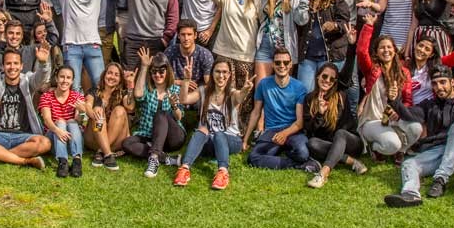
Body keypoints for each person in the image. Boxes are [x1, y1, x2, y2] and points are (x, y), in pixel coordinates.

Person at [383, 65, 454, 207]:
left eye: (443, 82)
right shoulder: (430, 105)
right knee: (409, 163)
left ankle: (440, 180)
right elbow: (410, 115)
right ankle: (410, 194)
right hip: (437, 152)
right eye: (435, 83)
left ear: (452, 82)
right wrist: (394, 101)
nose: (439, 87)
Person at [172, 58, 254, 190]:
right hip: (208, 141)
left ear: (229, 75)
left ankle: (223, 172)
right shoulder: (203, 90)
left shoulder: (232, 94)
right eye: (217, 72)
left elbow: (240, 97)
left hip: (230, 140)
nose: (221, 76)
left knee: (219, 133)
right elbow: (184, 100)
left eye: (224, 72)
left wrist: (245, 90)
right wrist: (186, 80)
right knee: (201, 130)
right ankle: (184, 169)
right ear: (212, 73)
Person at [0, 44, 52, 170]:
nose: (12, 67)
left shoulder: (28, 81)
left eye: (15, 63)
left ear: (21, 66)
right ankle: (24, 161)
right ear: (3, 66)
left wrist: (43, 63)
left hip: (22, 136)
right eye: (8, 64)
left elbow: (41, 77)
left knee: (45, 143)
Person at [356, 15, 422, 158]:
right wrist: (368, 26)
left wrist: (398, 112)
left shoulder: (404, 72)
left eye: (389, 47)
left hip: (392, 119)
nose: (386, 50)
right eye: (382, 48)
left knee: (416, 128)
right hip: (372, 120)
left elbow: (408, 100)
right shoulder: (372, 69)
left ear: (394, 50)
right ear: (377, 52)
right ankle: (375, 147)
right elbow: (361, 52)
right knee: (392, 144)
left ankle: (401, 151)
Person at [204, 0, 261, 120]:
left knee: (244, 93)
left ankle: (240, 126)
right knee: (224, 90)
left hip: (246, 54)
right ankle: (219, 121)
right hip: (225, 51)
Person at [304, 43, 368, 188]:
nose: (327, 80)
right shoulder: (309, 99)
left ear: (335, 83)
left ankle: (323, 174)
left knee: (340, 133)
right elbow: (310, 129)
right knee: (312, 143)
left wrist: (351, 46)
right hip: (331, 144)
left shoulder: (340, 95)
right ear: (317, 77)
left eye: (331, 79)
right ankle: (351, 161)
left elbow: (346, 72)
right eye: (324, 76)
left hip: (351, 142)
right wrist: (320, 114)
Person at [243, 47, 316, 172]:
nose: (282, 65)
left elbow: (299, 122)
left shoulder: (299, 87)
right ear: (273, 64)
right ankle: (298, 164)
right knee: (253, 158)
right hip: (272, 131)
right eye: (277, 62)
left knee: (303, 153)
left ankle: (288, 153)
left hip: (293, 130)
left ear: (290, 64)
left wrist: (284, 134)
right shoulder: (263, 84)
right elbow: (256, 112)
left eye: (285, 62)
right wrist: (245, 139)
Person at [122, 48, 186, 177]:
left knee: (161, 114)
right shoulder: (147, 88)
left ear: (167, 71)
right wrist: (144, 66)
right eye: (154, 72)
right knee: (127, 143)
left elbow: (179, 117)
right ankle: (165, 158)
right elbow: (138, 95)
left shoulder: (175, 89)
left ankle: (154, 158)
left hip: (172, 137)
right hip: (148, 134)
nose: (158, 75)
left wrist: (174, 107)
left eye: (161, 71)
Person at [296, 0, 352, 93]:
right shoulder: (307, 1)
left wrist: (335, 25)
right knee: (305, 93)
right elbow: (299, 22)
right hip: (307, 56)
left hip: (330, 57)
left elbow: (345, 23)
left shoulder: (337, 2)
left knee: (328, 94)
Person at [255, 0, 308, 87]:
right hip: (265, 44)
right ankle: (260, 107)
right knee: (260, 86)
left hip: (285, 46)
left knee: (283, 86)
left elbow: (302, 20)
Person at [38, 65, 88, 178]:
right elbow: (46, 120)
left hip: (72, 140)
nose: (65, 80)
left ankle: (77, 161)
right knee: (60, 121)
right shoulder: (47, 96)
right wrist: (57, 130)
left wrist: (81, 113)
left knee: (71, 122)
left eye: (68, 78)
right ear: (56, 78)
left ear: (72, 80)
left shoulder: (77, 96)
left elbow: (78, 122)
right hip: (53, 139)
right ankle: (63, 161)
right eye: (62, 77)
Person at [83, 62, 134, 170]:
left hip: (116, 140)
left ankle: (102, 151)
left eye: (116, 75)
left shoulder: (123, 93)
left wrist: (130, 87)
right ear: (104, 75)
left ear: (120, 79)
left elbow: (130, 107)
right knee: (98, 110)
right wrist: (94, 115)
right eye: (109, 73)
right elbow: (87, 105)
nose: (112, 77)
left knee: (120, 110)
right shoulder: (94, 91)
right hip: (94, 137)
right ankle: (107, 153)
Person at [164, 19, 214, 86]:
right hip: (174, 89)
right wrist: (181, 83)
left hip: (197, 91)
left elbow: (209, 83)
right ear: (178, 35)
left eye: (189, 34)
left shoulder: (205, 55)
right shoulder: (169, 52)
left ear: (195, 35)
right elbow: (161, 78)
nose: (186, 38)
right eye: (183, 34)